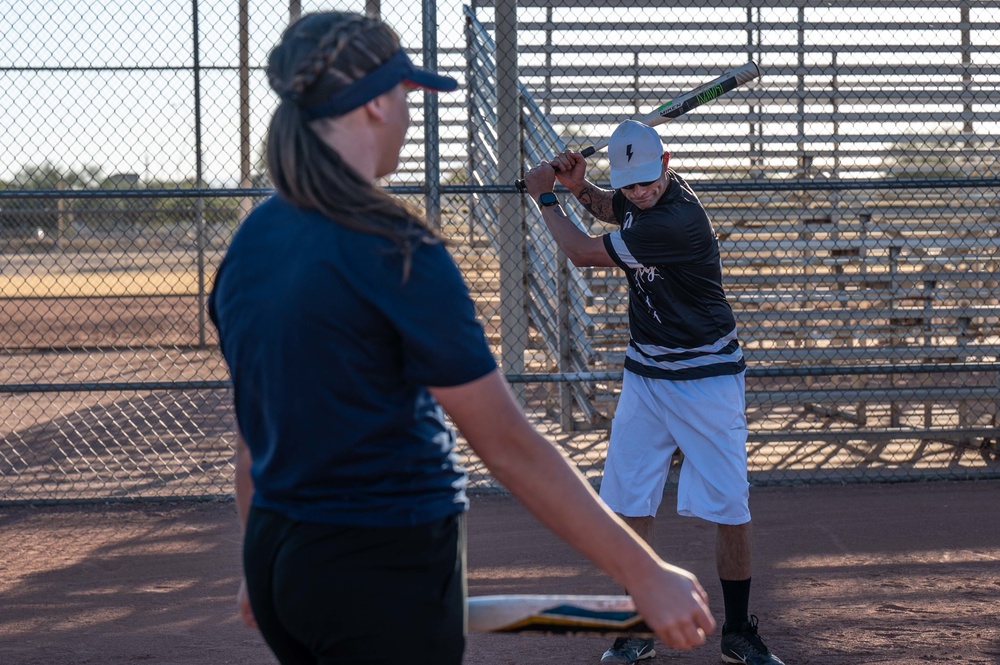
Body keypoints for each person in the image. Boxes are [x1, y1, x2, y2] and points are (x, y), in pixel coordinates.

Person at [208, 12, 716, 665]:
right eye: (403, 97)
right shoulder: (396, 247)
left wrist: (259, 556)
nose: (409, 115)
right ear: (370, 107)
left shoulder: (251, 242)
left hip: (282, 558)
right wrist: (644, 572)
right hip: (384, 556)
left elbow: (254, 431)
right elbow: (505, 443)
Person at [520, 120, 784, 665]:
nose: (639, 192)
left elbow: (582, 252)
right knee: (627, 501)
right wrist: (577, 187)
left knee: (731, 505)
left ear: (668, 164)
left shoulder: (680, 220)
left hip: (706, 378)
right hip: (646, 376)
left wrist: (544, 197)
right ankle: (639, 623)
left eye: (647, 180)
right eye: (630, 183)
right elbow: (612, 208)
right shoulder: (636, 199)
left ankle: (737, 633)